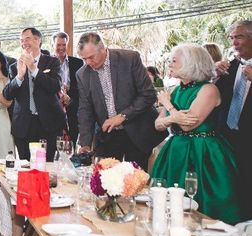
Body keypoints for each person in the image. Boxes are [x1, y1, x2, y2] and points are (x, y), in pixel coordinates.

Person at [151, 44, 241, 224]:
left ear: (190, 63)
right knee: (171, 202)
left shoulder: (208, 90)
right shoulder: (176, 90)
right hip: (176, 151)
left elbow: (188, 125)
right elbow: (158, 125)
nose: (170, 64)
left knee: (203, 201)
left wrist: (168, 106)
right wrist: (172, 117)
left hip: (203, 152)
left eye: (174, 61)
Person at [76, 32, 161, 170]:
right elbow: (85, 110)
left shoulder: (129, 59)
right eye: (84, 59)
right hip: (108, 136)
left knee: (135, 179)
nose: (88, 63)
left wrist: (122, 116)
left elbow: (148, 95)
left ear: (102, 48)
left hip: (137, 131)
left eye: (91, 57)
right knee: (105, 178)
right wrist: (85, 144)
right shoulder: (82, 74)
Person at [3, 27, 64, 161]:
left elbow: (55, 86)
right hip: (24, 124)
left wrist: (34, 69)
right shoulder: (15, 66)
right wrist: (19, 76)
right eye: (21, 40)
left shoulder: (52, 62)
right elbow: (7, 95)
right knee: (26, 166)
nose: (24, 43)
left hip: (48, 123)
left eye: (27, 39)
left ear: (38, 40)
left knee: (48, 165)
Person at [215, 20, 252, 220]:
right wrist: (215, 75)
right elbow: (216, 97)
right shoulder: (232, 65)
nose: (234, 42)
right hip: (228, 136)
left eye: (239, 37)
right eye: (232, 38)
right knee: (231, 186)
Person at [52, 31, 84, 146]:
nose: (61, 48)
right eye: (58, 45)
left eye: (63, 45)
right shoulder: (46, 62)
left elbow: (82, 88)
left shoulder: (78, 63)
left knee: (71, 145)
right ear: (53, 45)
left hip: (72, 110)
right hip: (53, 110)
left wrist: (69, 97)